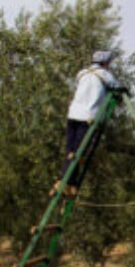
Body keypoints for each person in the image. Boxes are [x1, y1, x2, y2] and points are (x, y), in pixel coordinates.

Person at [51, 50, 125, 197]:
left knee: (71, 151)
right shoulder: (105, 74)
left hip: (72, 115)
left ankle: (70, 185)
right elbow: (118, 87)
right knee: (79, 153)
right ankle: (62, 182)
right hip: (88, 116)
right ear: (105, 63)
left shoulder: (82, 73)